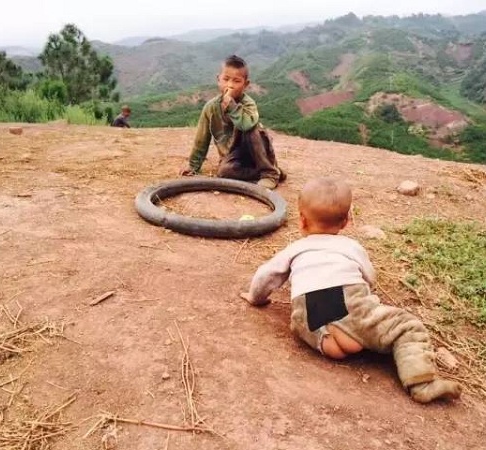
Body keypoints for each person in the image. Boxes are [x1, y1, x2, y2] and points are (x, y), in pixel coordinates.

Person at [241, 178, 462, 403]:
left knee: (332, 325)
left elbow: (265, 275)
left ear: (302, 220)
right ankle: (421, 383)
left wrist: (254, 297)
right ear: (346, 221)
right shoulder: (351, 246)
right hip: (351, 308)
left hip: (310, 320)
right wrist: (367, 298)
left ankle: (333, 336)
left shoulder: (295, 249)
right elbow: (369, 276)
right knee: (406, 327)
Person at [179, 55, 285, 190]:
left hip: (255, 153)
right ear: (218, 80)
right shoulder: (210, 108)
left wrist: (233, 108)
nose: (230, 85)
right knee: (223, 173)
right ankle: (264, 173)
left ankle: (269, 173)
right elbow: (202, 139)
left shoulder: (248, 104)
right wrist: (193, 165)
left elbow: (246, 125)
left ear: (245, 84)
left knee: (252, 129)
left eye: (236, 81)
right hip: (233, 157)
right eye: (226, 79)